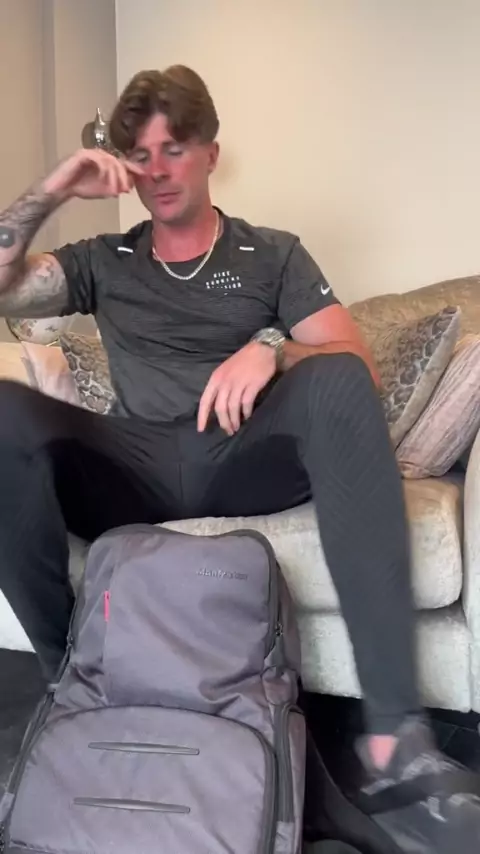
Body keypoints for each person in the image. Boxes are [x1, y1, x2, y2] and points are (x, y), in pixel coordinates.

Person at [0, 65, 478, 850]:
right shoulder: (101, 259)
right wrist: (53, 188)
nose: (157, 170)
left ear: (211, 154)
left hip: (241, 454)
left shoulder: (272, 254)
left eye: (175, 149)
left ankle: (395, 740)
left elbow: (354, 364)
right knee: (6, 411)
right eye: (141, 154)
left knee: (331, 378)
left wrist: (270, 347)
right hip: (134, 463)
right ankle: (72, 684)